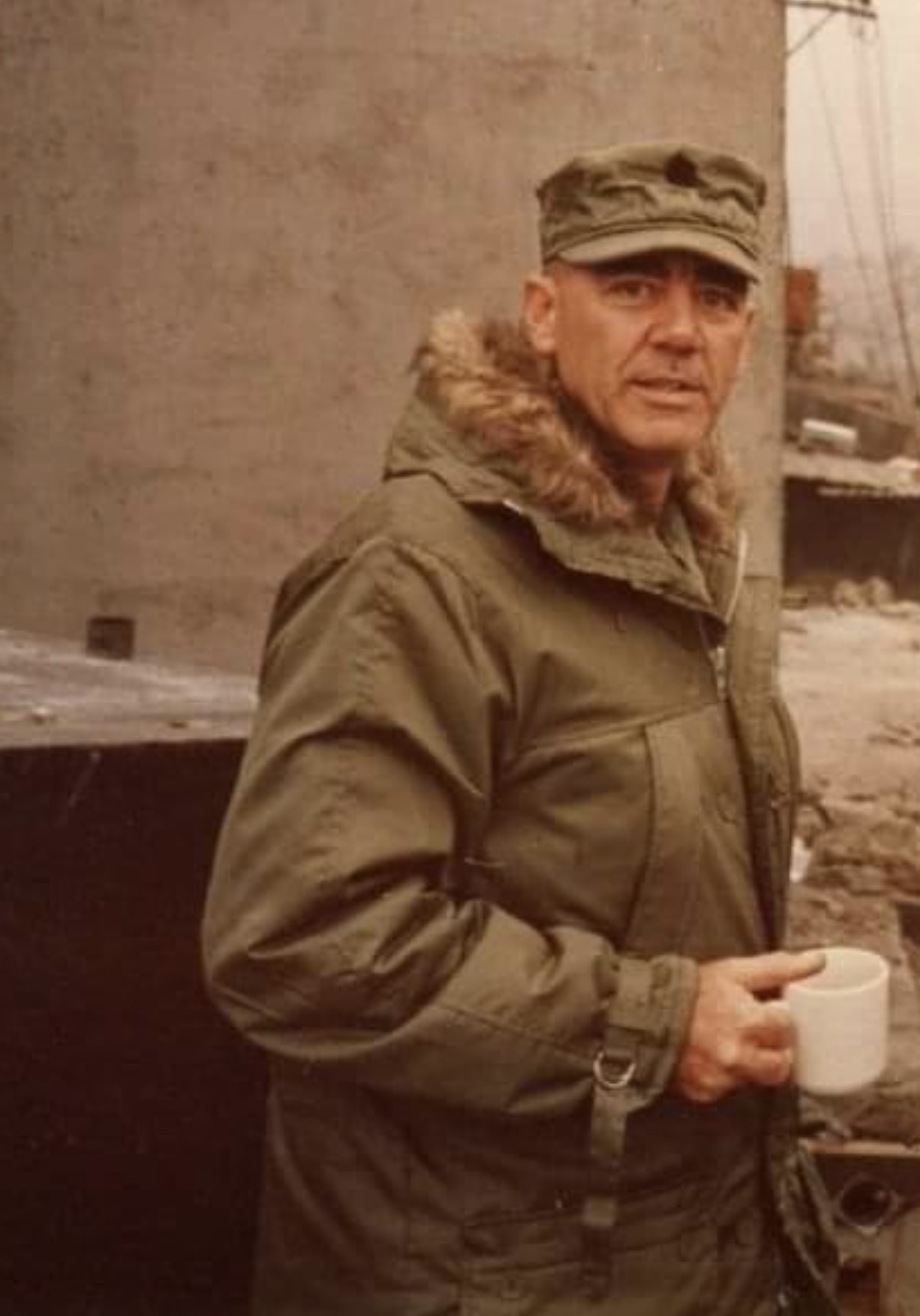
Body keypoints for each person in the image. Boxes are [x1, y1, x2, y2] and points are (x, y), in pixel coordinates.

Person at [201, 141, 840, 1316]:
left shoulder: (693, 557)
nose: (680, 330)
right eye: (633, 287)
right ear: (545, 314)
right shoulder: (419, 569)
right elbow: (299, 939)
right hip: (475, 1269)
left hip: (664, 1248)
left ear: (751, 331)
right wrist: (657, 1019)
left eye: (716, 294)